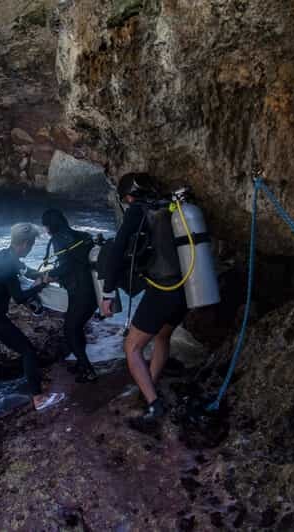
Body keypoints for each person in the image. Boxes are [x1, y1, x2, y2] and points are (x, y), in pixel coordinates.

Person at [100, 172, 189, 433]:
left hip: (163, 289)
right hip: (187, 287)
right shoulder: (169, 206)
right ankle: (151, 382)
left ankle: (153, 405)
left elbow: (117, 250)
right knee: (162, 336)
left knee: (132, 348)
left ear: (129, 197)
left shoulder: (137, 211)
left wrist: (107, 292)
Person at [0, 223, 65, 411]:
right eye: (32, 245)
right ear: (25, 244)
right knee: (28, 351)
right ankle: (38, 398)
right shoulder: (8, 267)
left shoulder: (4, 254)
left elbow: (25, 270)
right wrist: (41, 285)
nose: (31, 247)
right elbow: (19, 298)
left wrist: (45, 275)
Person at [41, 208, 98, 383]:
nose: (45, 230)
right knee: (76, 327)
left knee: (70, 330)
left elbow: (66, 266)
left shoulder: (58, 239)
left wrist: (47, 277)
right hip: (93, 291)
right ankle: (82, 363)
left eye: (45, 226)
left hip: (80, 292)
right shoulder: (81, 235)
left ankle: (88, 371)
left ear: (50, 225)